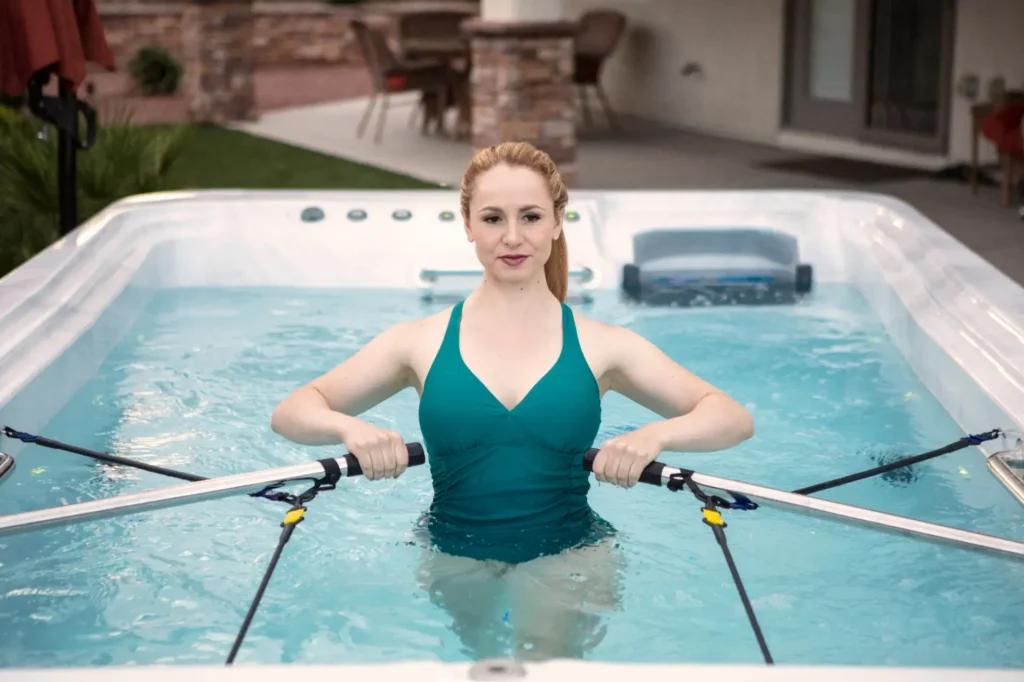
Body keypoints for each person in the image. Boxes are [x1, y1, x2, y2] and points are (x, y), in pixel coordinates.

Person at [270, 141, 754, 661]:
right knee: (481, 663)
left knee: (541, 661)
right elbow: (293, 411)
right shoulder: (418, 342)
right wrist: (350, 430)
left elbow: (731, 418)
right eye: (493, 218)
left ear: (557, 222)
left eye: (530, 216)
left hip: (570, 554)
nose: (513, 237)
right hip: (451, 551)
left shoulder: (603, 345)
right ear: (468, 224)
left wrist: (655, 435)